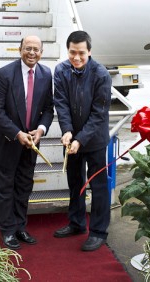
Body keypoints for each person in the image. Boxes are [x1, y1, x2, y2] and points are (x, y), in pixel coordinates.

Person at [0, 35, 54, 250]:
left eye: (36, 49)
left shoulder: (45, 74)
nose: (31, 53)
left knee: (24, 186)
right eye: (27, 48)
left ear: (41, 52)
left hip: (31, 143)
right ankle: (7, 230)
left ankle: (20, 226)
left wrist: (41, 130)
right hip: (6, 141)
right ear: (20, 50)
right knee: (5, 188)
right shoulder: (5, 74)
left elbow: (48, 109)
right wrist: (17, 133)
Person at [53, 30, 112, 252]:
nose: (76, 58)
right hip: (72, 140)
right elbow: (61, 103)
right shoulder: (60, 70)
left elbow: (99, 114)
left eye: (81, 54)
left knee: (98, 186)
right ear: (67, 50)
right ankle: (76, 223)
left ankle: (98, 231)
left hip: (94, 140)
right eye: (72, 53)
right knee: (75, 182)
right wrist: (67, 131)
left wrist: (81, 138)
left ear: (89, 51)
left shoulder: (101, 74)